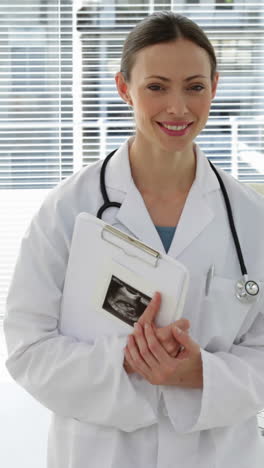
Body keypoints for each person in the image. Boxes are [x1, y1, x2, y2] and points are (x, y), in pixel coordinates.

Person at [3, 10, 264, 468]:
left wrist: (203, 374)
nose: (178, 107)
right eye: (156, 86)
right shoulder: (69, 209)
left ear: (215, 87)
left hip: (219, 454)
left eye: (195, 86)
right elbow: (28, 346)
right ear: (124, 89)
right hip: (99, 453)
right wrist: (126, 360)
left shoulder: (250, 217)